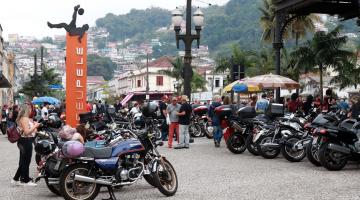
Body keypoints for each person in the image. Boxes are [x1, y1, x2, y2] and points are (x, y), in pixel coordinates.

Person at [12, 103, 40, 186]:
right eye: (30, 108)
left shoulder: (24, 118)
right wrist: (35, 126)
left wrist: (34, 127)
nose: (31, 110)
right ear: (27, 109)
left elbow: (29, 131)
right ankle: (25, 180)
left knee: (23, 161)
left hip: (24, 141)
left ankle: (16, 179)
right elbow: (27, 132)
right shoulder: (24, 118)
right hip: (25, 141)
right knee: (26, 161)